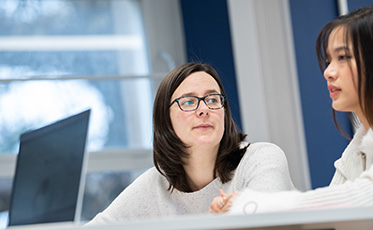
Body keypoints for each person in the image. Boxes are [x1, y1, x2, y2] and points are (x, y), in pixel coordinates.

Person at [210, 5, 373, 215]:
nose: (329, 72)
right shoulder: (357, 148)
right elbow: (326, 216)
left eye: (343, 57)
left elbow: (369, 194)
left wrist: (255, 205)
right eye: (328, 61)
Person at [87, 62, 295, 224]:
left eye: (212, 99)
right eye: (188, 102)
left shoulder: (261, 158)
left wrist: (243, 208)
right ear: (165, 119)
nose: (204, 109)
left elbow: (268, 213)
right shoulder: (155, 184)